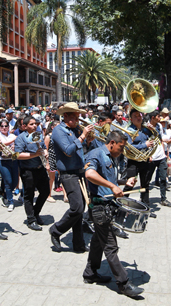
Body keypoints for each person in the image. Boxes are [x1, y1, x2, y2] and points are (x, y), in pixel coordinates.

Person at [82, 130, 144, 298]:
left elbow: (110, 179)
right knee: (110, 246)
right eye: (121, 147)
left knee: (97, 241)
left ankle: (90, 273)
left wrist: (124, 182)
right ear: (111, 143)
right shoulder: (96, 154)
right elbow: (89, 174)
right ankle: (123, 284)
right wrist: (112, 186)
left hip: (108, 205)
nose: (122, 151)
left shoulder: (111, 157)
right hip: (99, 206)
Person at [48, 102, 92, 253]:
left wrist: (88, 139)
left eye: (78, 117)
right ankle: (56, 230)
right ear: (65, 116)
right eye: (74, 117)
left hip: (80, 171)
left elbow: (81, 147)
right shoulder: (58, 131)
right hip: (68, 174)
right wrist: (83, 136)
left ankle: (78, 244)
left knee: (81, 209)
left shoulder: (75, 129)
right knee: (77, 208)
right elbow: (68, 150)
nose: (78, 120)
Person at [14, 114, 48, 231]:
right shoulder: (20, 138)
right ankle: (31, 220)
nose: (35, 126)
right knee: (29, 195)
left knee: (45, 192)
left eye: (35, 124)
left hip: (40, 168)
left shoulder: (38, 135)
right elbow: (17, 155)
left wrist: (45, 152)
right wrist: (34, 155)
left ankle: (35, 212)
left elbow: (43, 147)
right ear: (24, 126)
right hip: (28, 170)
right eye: (31, 124)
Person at [0, 117, 20, 210]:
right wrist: (14, 141)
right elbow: (2, 143)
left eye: (6, 126)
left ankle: (5, 195)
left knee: (15, 182)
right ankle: (10, 201)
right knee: (8, 181)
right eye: (2, 126)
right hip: (3, 160)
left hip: (13, 160)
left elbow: (16, 145)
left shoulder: (12, 136)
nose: (4, 128)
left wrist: (14, 146)